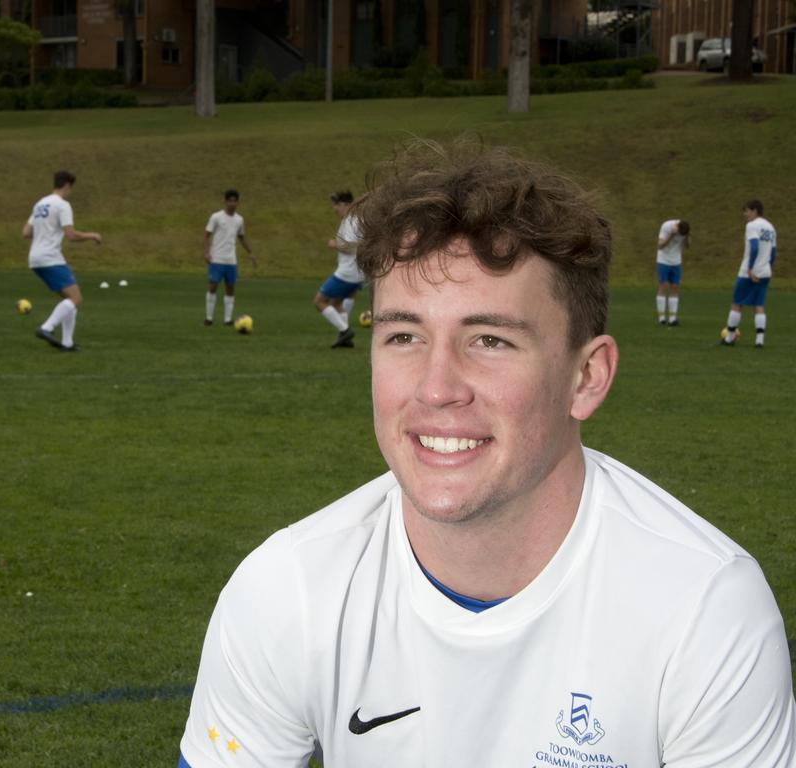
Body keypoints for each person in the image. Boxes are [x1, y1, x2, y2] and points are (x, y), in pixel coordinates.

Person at [178, 145, 795, 767]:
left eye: (490, 339)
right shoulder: (289, 587)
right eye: (404, 336)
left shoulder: (702, 609)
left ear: (586, 377)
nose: (437, 387)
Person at [22, 170, 102, 352]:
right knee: (76, 298)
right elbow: (71, 235)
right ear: (67, 185)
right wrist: (92, 235)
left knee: (69, 299)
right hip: (51, 257)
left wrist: (45, 230)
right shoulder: (62, 205)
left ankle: (67, 343)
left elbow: (26, 232)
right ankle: (46, 328)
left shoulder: (40, 203)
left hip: (35, 258)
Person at [721, 200, 777, 348]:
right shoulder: (771, 227)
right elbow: (773, 252)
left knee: (737, 303)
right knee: (759, 305)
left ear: (755, 210)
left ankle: (730, 338)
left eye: (746, 211)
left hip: (749, 272)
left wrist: (750, 268)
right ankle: (759, 341)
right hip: (765, 272)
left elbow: (754, 246)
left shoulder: (752, 226)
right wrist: (767, 267)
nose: (745, 214)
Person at [314, 190, 364, 348]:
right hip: (357, 272)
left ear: (347, 204)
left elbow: (351, 247)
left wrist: (334, 244)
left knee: (319, 301)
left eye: (337, 204)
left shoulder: (350, 222)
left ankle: (345, 331)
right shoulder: (353, 220)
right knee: (337, 303)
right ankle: (346, 339)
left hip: (348, 272)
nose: (334, 208)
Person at [204, 189, 254, 326]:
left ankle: (227, 320)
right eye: (230, 200)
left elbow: (241, 237)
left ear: (238, 202)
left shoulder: (239, 220)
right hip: (217, 259)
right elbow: (207, 235)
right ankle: (209, 318)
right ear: (225, 201)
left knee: (230, 288)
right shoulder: (216, 217)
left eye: (235, 201)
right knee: (213, 286)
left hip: (231, 261)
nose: (232, 203)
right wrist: (206, 252)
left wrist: (250, 252)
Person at [655, 218, 689, 326]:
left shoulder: (684, 231)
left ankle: (673, 318)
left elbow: (688, 246)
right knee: (663, 286)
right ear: (677, 227)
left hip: (676, 261)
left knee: (675, 287)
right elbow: (660, 245)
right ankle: (661, 318)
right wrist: (671, 235)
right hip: (663, 260)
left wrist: (687, 236)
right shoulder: (666, 226)